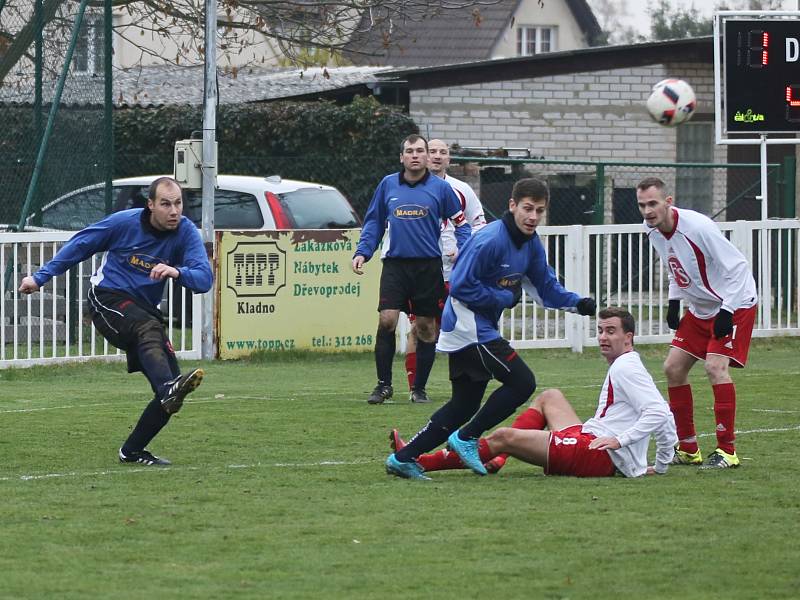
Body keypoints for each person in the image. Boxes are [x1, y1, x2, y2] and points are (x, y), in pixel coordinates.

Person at [385, 177, 597, 479]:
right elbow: (458, 286)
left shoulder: (531, 244)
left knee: (463, 404)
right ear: (512, 206)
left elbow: (545, 287)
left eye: (539, 210)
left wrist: (578, 304)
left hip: (478, 326)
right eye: (527, 208)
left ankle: (403, 457)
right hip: (467, 324)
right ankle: (468, 436)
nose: (533, 217)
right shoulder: (491, 239)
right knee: (522, 382)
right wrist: (503, 296)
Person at [19, 176, 213, 466]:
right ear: (150, 205)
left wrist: (177, 272)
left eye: (178, 204)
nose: (174, 211)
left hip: (144, 311)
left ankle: (132, 451)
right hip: (107, 299)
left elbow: (205, 279)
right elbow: (81, 244)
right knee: (154, 347)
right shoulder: (124, 223)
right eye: (165, 204)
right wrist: (40, 277)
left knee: (174, 394)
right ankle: (167, 388)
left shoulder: (185, 232)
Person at [390, 307, 677, 478]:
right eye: (601, 330)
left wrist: (619, 440)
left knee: (503, 435)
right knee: (550, 395)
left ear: (628, 338)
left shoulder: (626, 368)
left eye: (611, 331)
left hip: (599, 455)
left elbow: (659, 412)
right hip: (590, 438)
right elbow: (662, 413)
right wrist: (661, 465)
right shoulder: (628, 363)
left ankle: (423, 461)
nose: (603, 337)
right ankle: (498, 457)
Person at [636, 176, 758, 469]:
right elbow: (674, 265)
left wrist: (727, 312)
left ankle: (727, 452)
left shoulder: (698, 227)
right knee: (672, 368)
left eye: (653, 203)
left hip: (734, 301)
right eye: (642, 205)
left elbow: (738, 268)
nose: (647, 211)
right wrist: (674, 301)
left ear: (668, 202)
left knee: (715, 367)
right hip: (701, 307)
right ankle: (689, 448)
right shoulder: (651, 230)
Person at [352, 134, 471, 405]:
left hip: (428, 266)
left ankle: (419, 389)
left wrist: (464, 252)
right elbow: (373, 223)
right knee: (387, 320)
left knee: (427, 328)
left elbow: (462, 224)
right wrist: (363, 252)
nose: (415, 155)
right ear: (402, 157)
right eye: (410, 151)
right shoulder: (387, 185)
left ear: (427, 157)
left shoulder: (441, 190)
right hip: (395, 265)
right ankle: (383, 385)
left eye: (420, 151)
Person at [403, 138, 487, 398]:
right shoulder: (409, 189)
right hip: (421, 272)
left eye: (443, 152)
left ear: (449, 159)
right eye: (433, 151)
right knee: (420, 327)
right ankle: (416, 387)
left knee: (459, 328)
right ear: (425, 156)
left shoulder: (461, 190)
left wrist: (463, 250)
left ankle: (463, 385)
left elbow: (479, 225)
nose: (437, 156)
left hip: (454, 274)